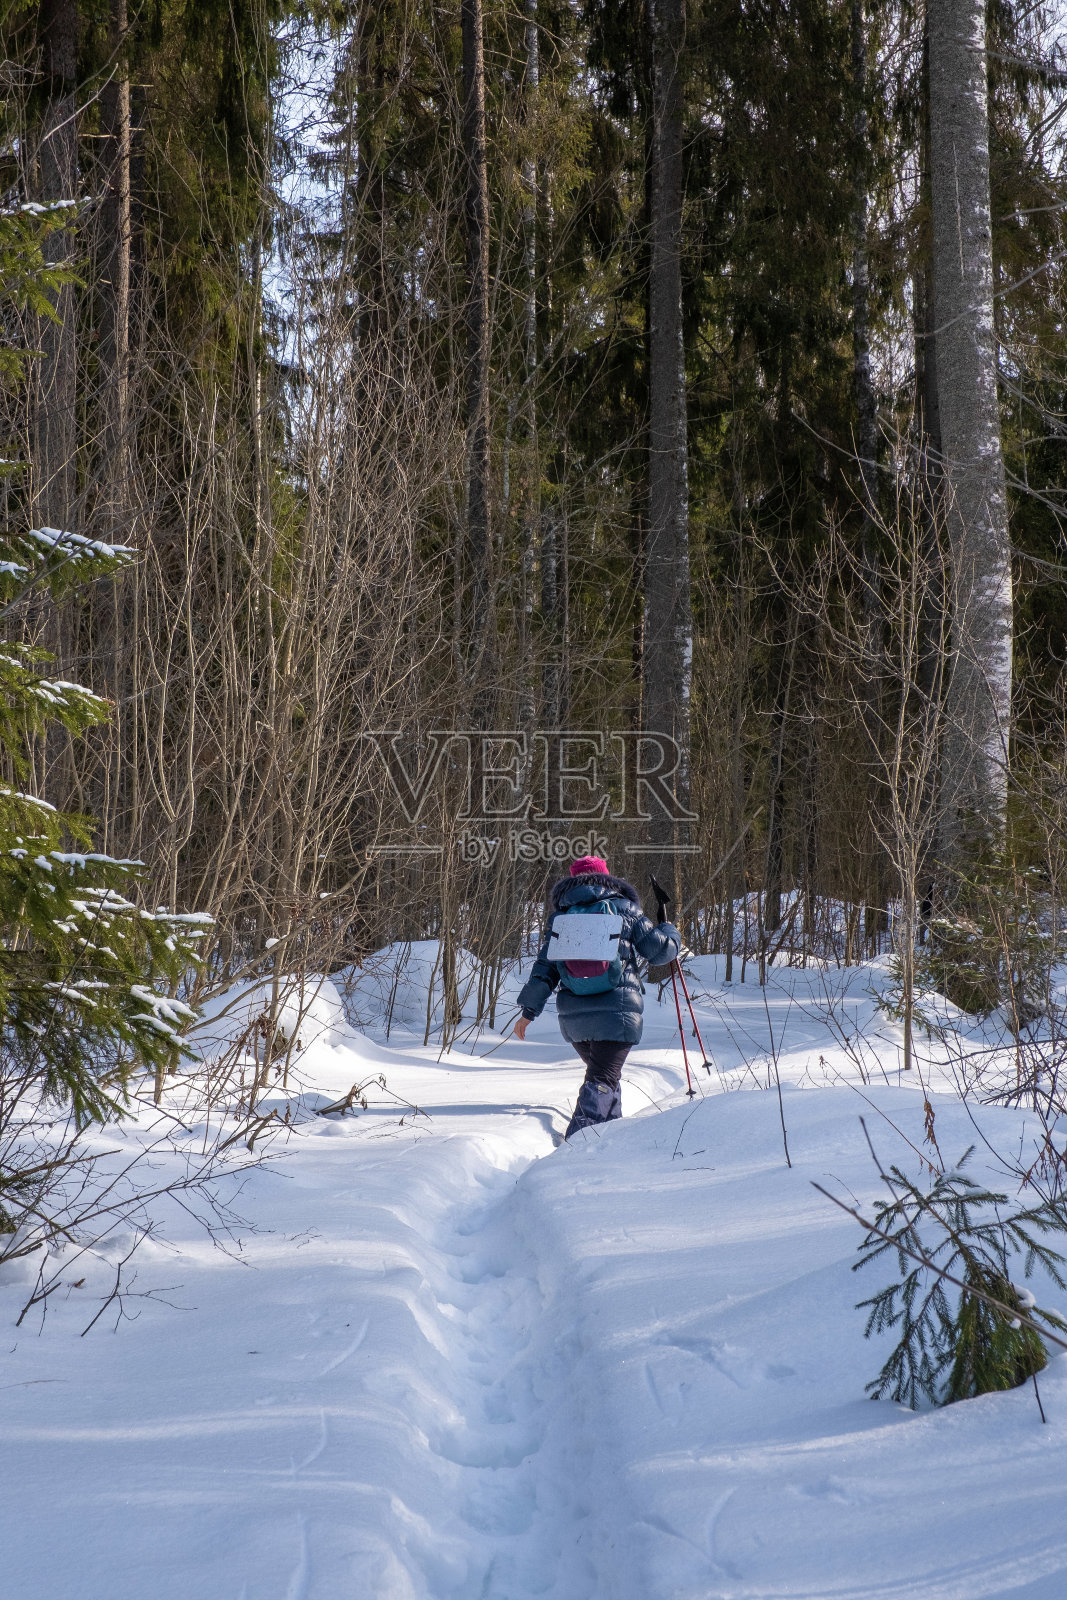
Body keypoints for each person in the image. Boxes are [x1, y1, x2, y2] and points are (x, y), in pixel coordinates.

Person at [512, 855, 681, 1139]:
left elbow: (544, 970)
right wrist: (669, 930)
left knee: (605, 1079)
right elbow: (661, 952)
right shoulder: (624, 909)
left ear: (571, 882)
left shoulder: (561, 919)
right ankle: (577, 1144)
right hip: (619, 1013)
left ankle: (609, 1139)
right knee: (602, 1081)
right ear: (607, 878)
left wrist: (528, 1013)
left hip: (574, 1020)